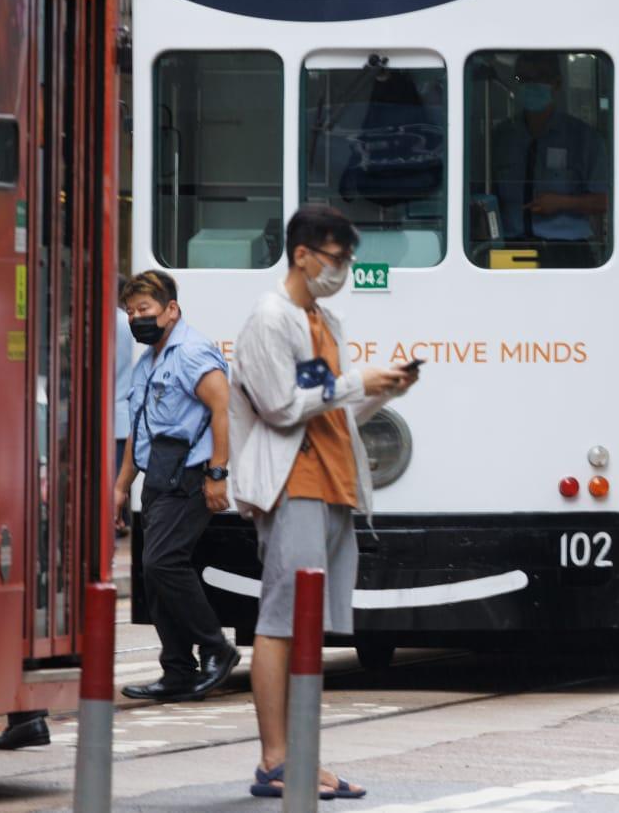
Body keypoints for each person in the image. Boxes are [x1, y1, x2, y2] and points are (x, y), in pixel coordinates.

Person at [231, 205, 417, 801]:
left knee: (309, 627)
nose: (342, 270)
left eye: (347, 261)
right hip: (294, 485)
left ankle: (303, 756)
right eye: (336, 259)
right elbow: (283, 407)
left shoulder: (323, 319)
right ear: (303, 254)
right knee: (282, 621)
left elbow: (326, 406)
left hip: (334, 482)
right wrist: (361, 382)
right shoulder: (269, 318)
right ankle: (275, 759)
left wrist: (379, 388)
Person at [113, 270, 240, 702]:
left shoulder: (191, 351)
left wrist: (217, 473)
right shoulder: (148, 359)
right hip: (158, 477)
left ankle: (215, 647)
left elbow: (223, 409)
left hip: (190, 474)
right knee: (154, 569)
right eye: (130, 311)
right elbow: (139, 427)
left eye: (144, 309)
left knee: (164, 562)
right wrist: (120, 487)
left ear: (171, 309)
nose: (136, 318)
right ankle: (178, 670)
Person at [489, 52, 609, 262]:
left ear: (557, 83)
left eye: (540, 78)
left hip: (566, 253)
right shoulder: (501, 137)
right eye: (523, 79)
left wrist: (561, 202)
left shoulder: (583, 138)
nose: (531, 84)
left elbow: (603, 202)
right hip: (509, 249)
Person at [112, 285, 137, 536]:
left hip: (111, 416)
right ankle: (122, 520)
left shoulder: (108, 323)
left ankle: (116, 522)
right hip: (126, 416)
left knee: (115, 482)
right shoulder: (129, 323)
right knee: (122, 480)